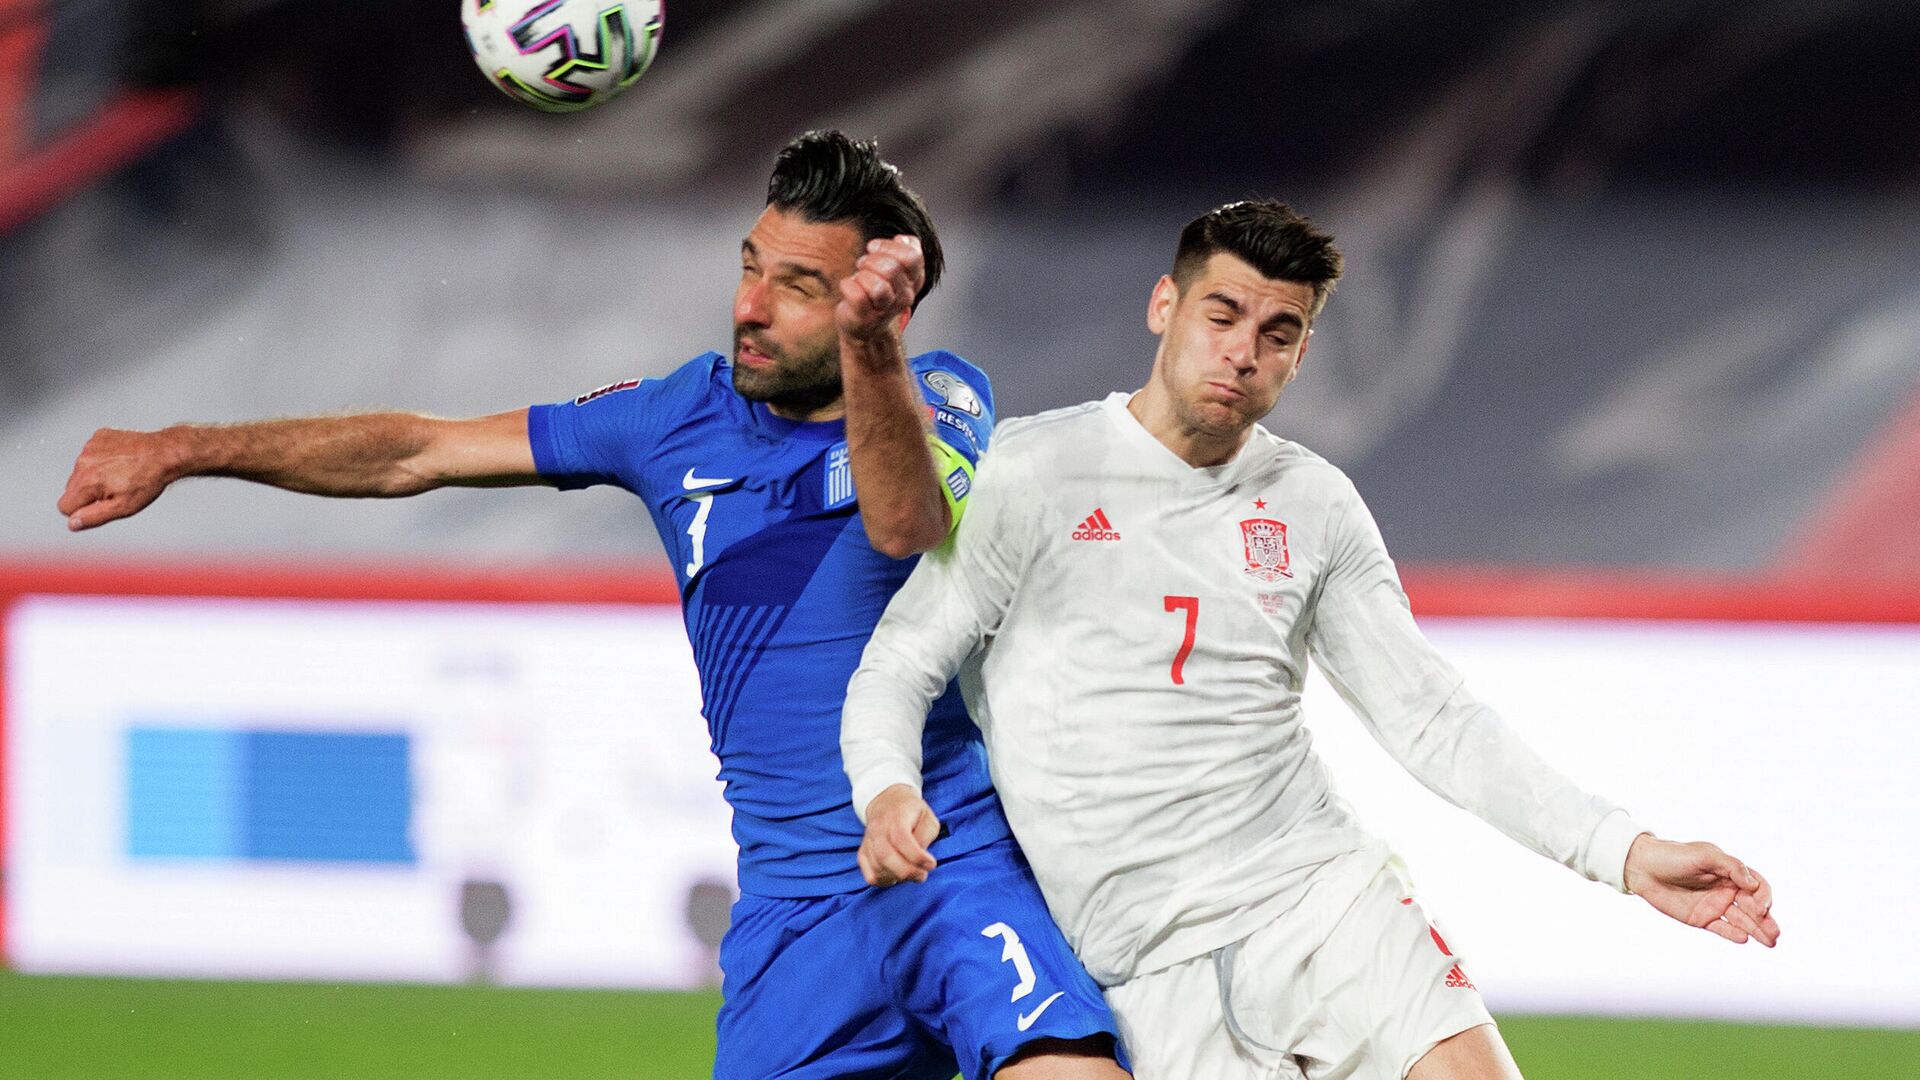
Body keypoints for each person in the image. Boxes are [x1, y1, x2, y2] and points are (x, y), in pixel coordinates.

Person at [59, 131, 1129, 1080]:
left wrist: (872, 349)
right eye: (751, 267)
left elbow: (905, 524)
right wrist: (185, 449)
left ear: (880, 303)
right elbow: (418, 452)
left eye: (799, 286)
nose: (750, 305)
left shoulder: (941, 392)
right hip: (793, 919)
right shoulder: (672, 420)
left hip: (955, 861)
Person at [841, 199, 1781, 1080]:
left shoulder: (1314, 503)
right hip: (1140, 960)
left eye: (1277, 332)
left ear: (1301, 353)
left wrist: (1623, 851)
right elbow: (899, 663)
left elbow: (1434, 719)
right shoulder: (1033, 472)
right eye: (1223, 314)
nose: (1244, 350)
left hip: (1322, 901)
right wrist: (887, 789)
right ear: (1163, 305)